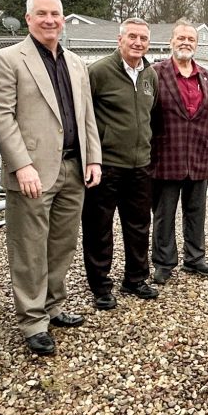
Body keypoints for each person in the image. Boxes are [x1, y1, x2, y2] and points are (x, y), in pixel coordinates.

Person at [0, 0, 101, 356]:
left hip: (72, 166)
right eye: (43, 14)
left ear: (63, 19)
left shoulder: (76, 63)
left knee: (62, 243)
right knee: (30, 247)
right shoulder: (7, 60)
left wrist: (93, 158)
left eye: (56, 14)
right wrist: (21, 165)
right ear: (29, 17)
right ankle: (33, 320)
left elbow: (86, 116)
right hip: (33, 171)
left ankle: (54, 306)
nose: (50, 20)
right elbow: (1, 116)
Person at [82, 18, 159, 310]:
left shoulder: (150, 75)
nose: (138, 43)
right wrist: (93, 155)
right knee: (98, 226)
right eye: (133, 37)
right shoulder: (99, 72)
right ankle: (101, 286)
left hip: (140, 165)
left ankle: (136, 278)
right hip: (106, 165)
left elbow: (151, 114)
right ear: (120, 39)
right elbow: (84, 115)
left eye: (143, 38)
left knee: (138, 225)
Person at [150, 19, 208, 284]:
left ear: (196, 45)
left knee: (196, 210)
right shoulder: (155, 74)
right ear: (171, 42)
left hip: (198, 156)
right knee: (164, 213)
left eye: (191, 39)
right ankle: (164, 263)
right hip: (167, 155)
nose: (186, 43)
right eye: (181, 38)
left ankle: (195, 258)